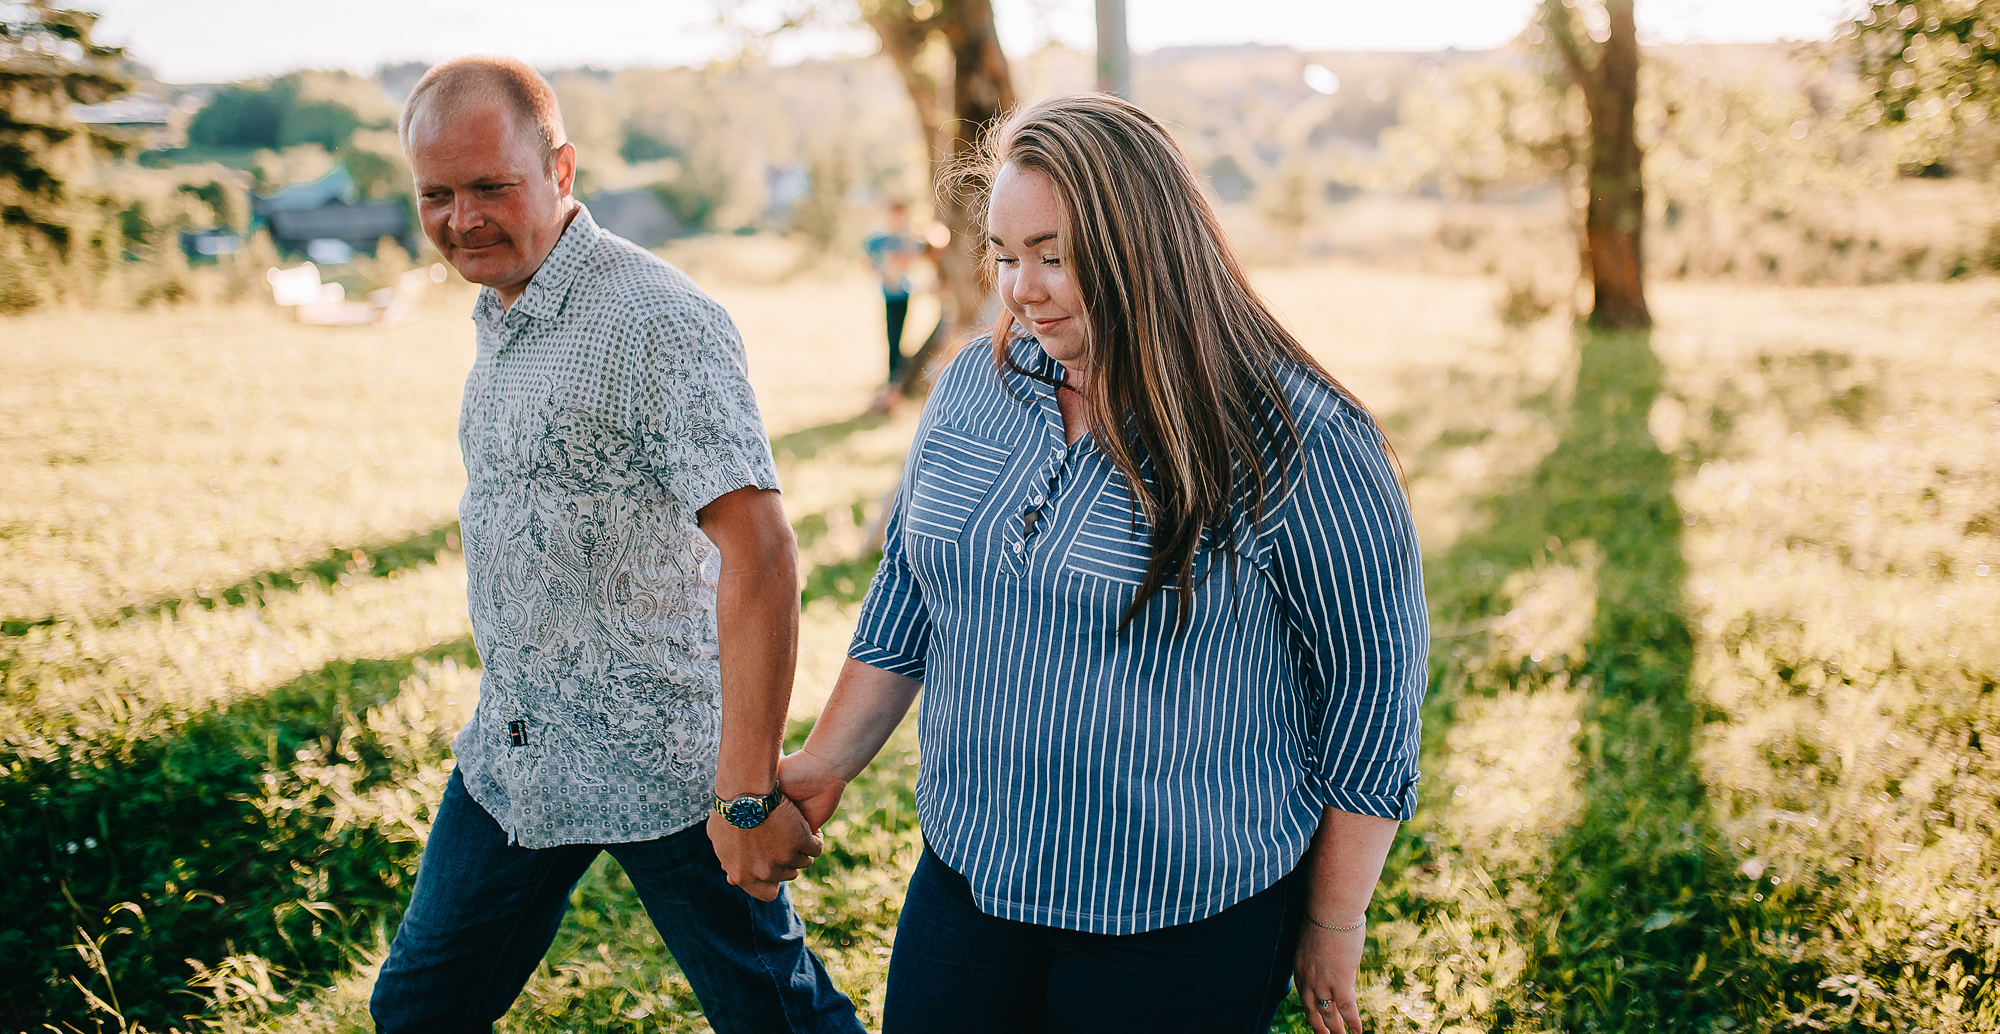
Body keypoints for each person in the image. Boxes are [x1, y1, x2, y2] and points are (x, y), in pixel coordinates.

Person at [778, 94, 1428, 1034]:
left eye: (1053, 255)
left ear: (1144, 248)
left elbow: (1372, 692)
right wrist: (824, 762)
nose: (1020, 289)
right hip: (971, 875)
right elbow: (912, 589)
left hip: (1180, 918)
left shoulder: (1298, 436)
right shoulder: (972, 387)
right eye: (1004, 255)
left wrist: (1332, 918)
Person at [370, 56, 861, 1034]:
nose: (462, 220)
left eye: (490, 187)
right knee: (418, 1012)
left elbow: (762, 553)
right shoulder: (501, 305)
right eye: (436, 195)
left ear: (561, 168)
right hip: (517, 753)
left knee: (779, 1021)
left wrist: (745, 795)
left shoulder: (656, 320)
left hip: (667, 764)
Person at [863, 201, 920, 382]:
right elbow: (867, 260)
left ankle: (897, 372)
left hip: (903, 292)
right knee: (892, 335)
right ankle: (894, 374)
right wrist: (882, 273)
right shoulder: (879, 240)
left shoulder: (907, 239)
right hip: (888, 293)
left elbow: (913, 259)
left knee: (900, 334)